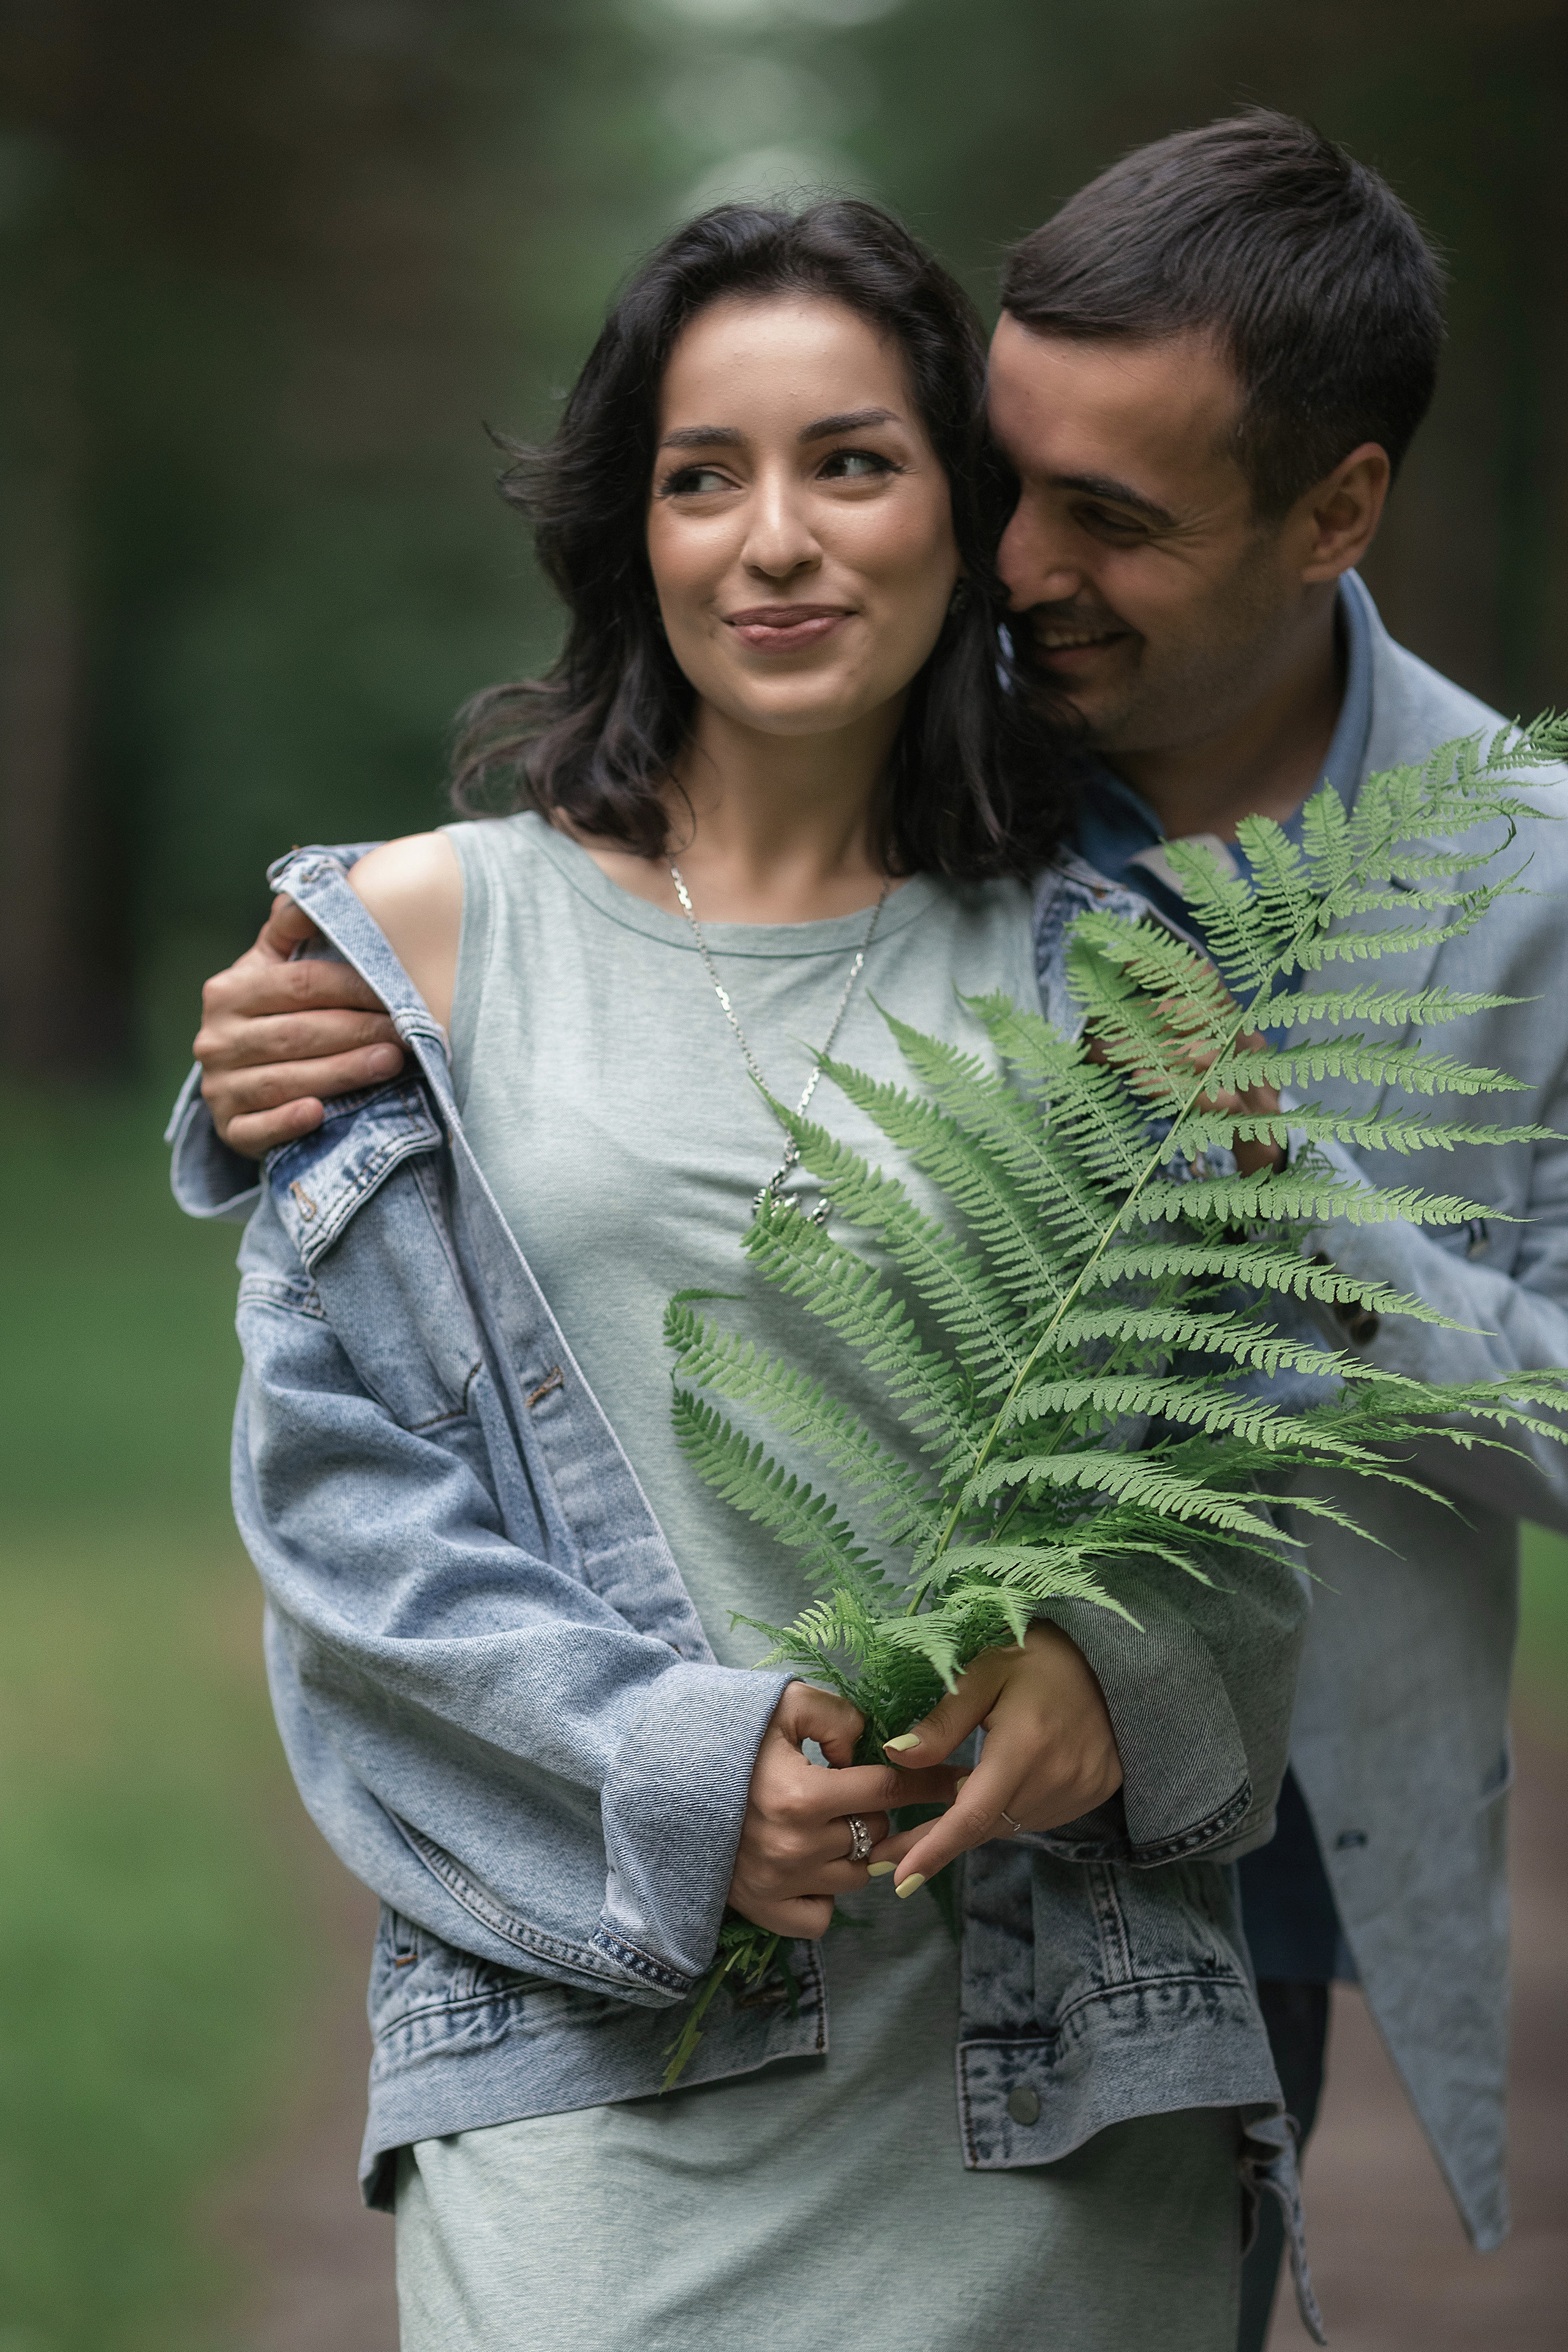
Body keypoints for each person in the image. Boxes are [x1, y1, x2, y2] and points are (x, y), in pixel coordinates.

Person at [184, 115, 1568, 2349]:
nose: (786, 543)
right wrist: (682, 1770)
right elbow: (348, 1494)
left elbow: (1227, 1481)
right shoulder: (428, 938)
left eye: (861, 466)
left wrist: (1112, 1659)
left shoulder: (1252, 942)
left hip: (1090, 2023)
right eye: (702, 475)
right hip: (602, 2047)